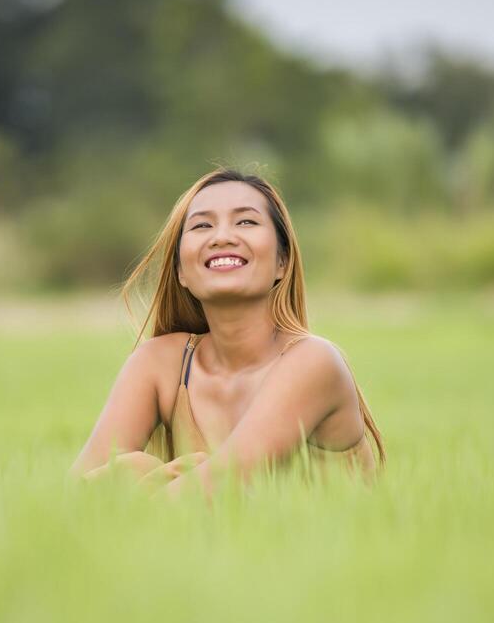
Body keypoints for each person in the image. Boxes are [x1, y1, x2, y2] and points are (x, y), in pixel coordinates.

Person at [67, 167, 386, 502]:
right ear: (181, 272)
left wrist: (142, 481)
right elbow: (72, 497)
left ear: (282, 261)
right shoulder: (160, 363)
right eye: (202, 225)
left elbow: (219, 484)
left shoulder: (314, 362)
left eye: (246, 222)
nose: (221, 236)